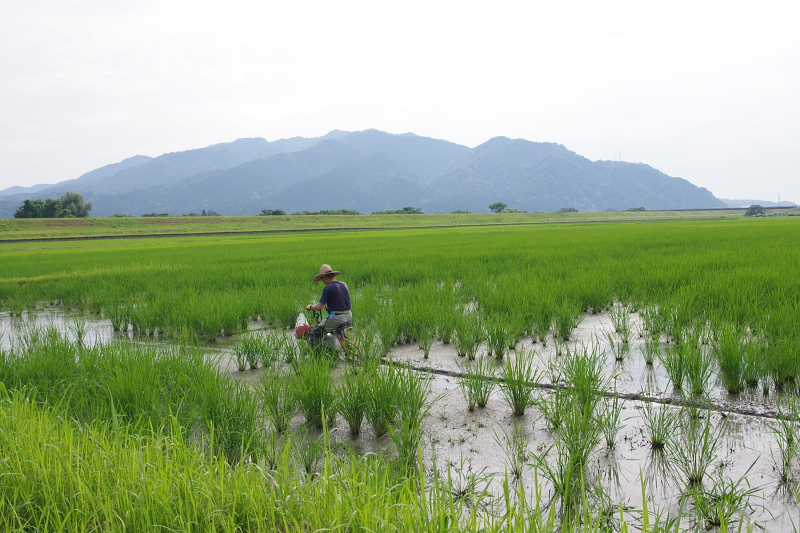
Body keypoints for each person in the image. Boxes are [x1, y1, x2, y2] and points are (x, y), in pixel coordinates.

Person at [305, 264, 352, 345]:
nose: (322, 282)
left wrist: (310, 307)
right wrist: (329, 305)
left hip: (337, 318)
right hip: (348, 315)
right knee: (339, 334)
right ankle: (346, 348)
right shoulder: (343, 284)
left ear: (326, 277)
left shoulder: (328, 288)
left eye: (322, 279)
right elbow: (342, 300)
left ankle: (317, 355)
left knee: (314, 333)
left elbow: (319, 306)